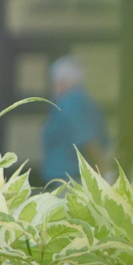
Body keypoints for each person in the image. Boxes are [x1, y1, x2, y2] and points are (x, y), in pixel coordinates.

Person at [41, 54, 111, 183]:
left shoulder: (71, 102)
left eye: (55, 81)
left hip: (72, 180)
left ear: (64, 81)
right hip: (72, 178)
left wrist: (105, 174)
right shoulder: (77, 101)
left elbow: (88, 141)